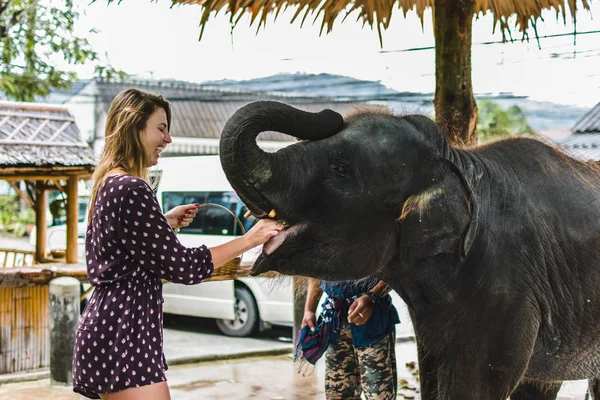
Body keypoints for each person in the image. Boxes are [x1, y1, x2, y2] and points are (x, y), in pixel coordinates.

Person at [72, 88, 284, 400]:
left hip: (111, 328)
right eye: (161, 128)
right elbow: (183, 267)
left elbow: (121, 244)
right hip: (124, 334)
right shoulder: (132, 188)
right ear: (134, 126)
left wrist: (163, 221)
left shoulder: (110, 182)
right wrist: (250, 239)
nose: (168, 139)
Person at [298, 277, 400, 400]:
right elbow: (316, 270)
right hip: (335, 321)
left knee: (378, 394)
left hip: (373, 319)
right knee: (337, 394)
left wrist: (373, 297)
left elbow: (396, 268)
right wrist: (309, 309)